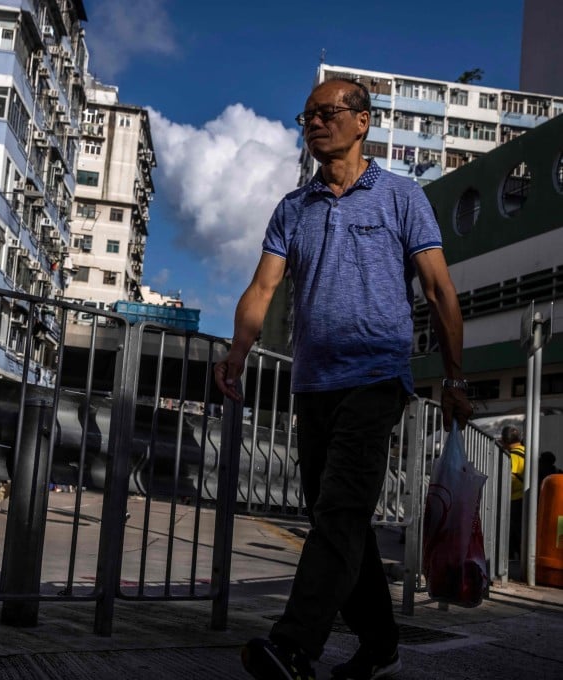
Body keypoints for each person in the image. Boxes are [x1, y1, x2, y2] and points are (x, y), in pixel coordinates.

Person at [215, 78, 472, 680]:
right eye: (306, 117)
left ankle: (295, 645)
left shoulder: (402, 197)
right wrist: (237, 353)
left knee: (338, 511)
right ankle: (381, 647)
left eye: (327, 114)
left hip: (376, 380)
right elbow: (262, 288)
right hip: (312, 385)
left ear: (362, 122)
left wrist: (456, 379)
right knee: (337, 519)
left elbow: (439, 290)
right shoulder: (292, 209)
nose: (314, 125)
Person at [501, 426, 525, 559]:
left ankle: (511, 558)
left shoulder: (510, 457)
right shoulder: (529, 452)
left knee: (513, 531)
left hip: (515, 499)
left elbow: (510, 480)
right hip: (529, 498)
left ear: (504, 441)